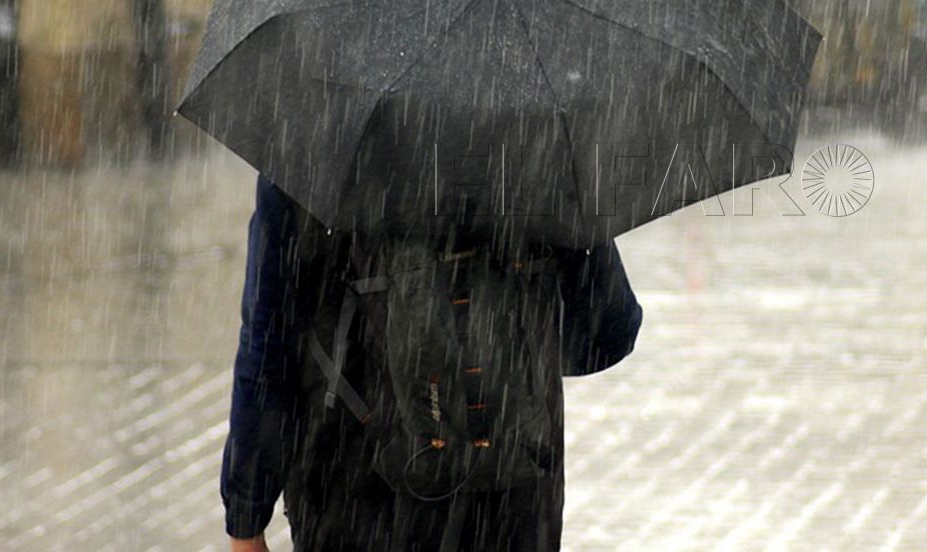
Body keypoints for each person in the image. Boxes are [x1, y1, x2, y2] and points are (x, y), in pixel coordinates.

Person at [223, 177, 643, 551]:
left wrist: (247, 512)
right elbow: (609, 332)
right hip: (512, 487)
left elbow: (268, 343)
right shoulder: (539, 143)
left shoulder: (315, 141)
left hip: (352, 490)